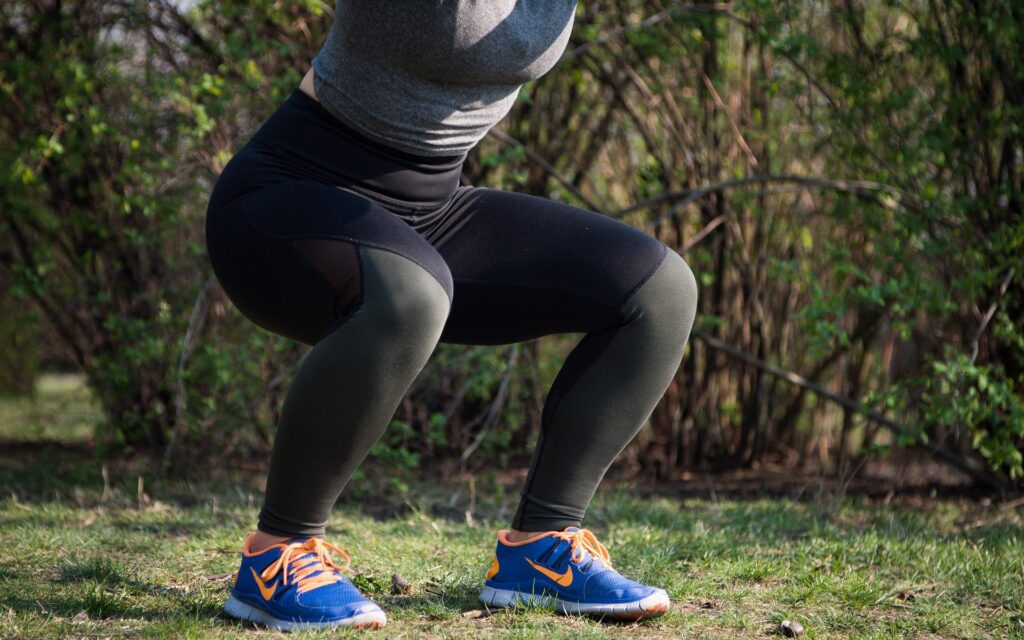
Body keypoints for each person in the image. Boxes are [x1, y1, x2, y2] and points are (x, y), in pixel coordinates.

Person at [204, 1, 698, 631]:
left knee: (659, 292)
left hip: (434, 210)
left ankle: (540, 553)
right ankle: (276, 558)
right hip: (285, 196)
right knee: (413, 296)